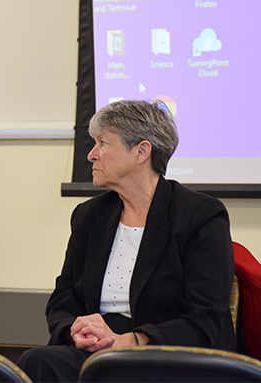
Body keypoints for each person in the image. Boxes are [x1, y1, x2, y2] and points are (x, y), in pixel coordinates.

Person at [17, 100, 235, 382]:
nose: (92, 155)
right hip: (99, 353)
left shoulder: (200, 216)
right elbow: (64, 296)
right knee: (37, 362)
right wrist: (76, 330)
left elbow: (205, 318)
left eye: (103, 143)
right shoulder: (89, 215)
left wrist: (130, 340)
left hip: (166, 356)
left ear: (142, 151)